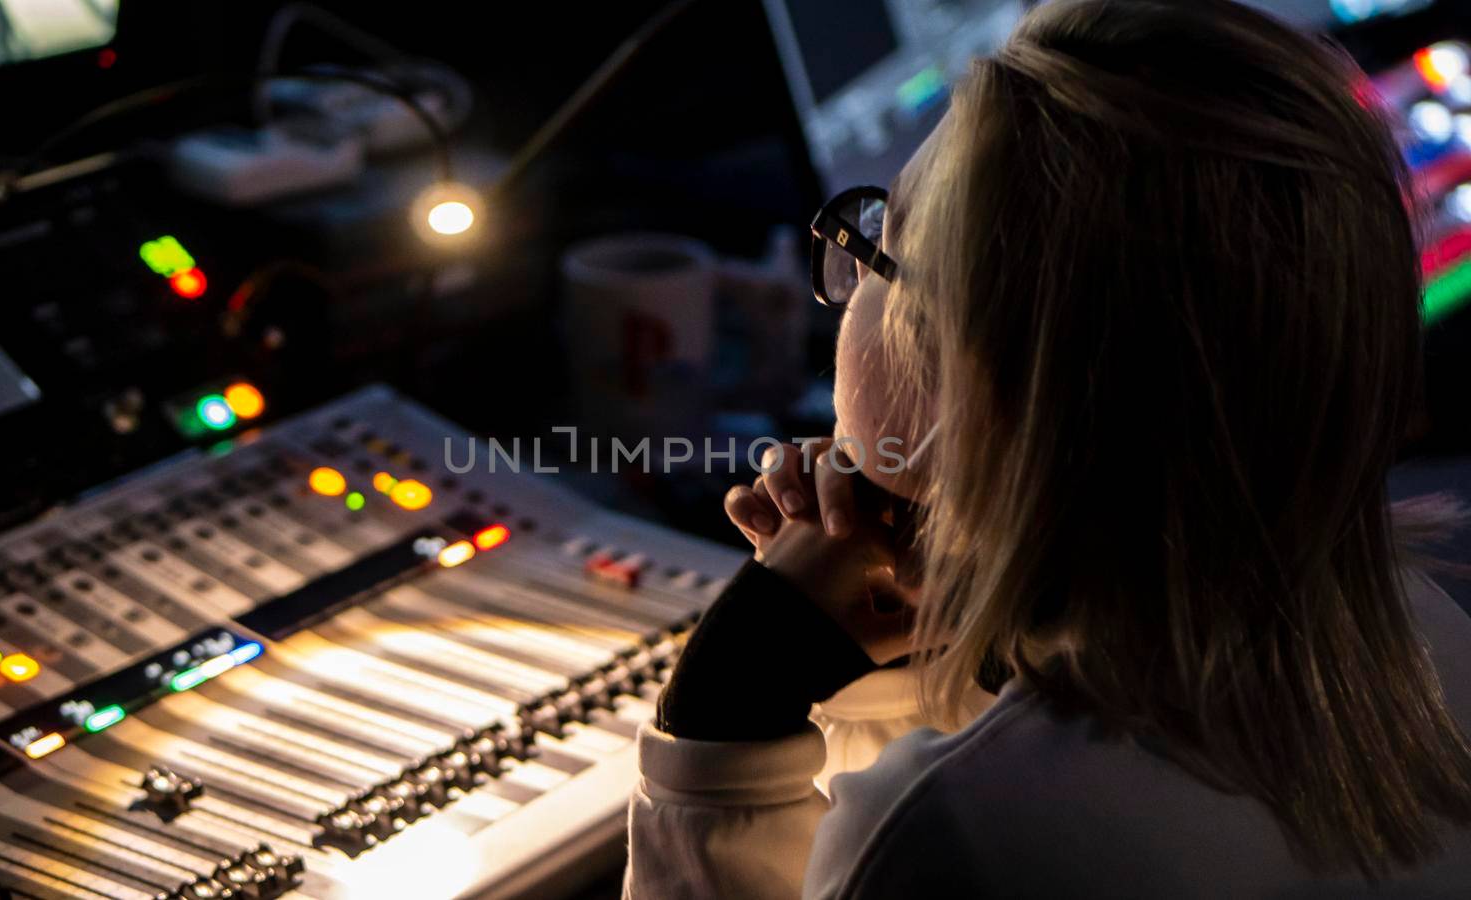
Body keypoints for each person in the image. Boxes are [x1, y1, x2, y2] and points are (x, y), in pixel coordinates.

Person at [624, 0, 1471, 895]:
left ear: (979, 372)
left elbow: (953, 814)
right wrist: (930, 661)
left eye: (881, 243)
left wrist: (724, 727)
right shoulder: (1429, 634)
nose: (848, 281)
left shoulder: (959, 837)